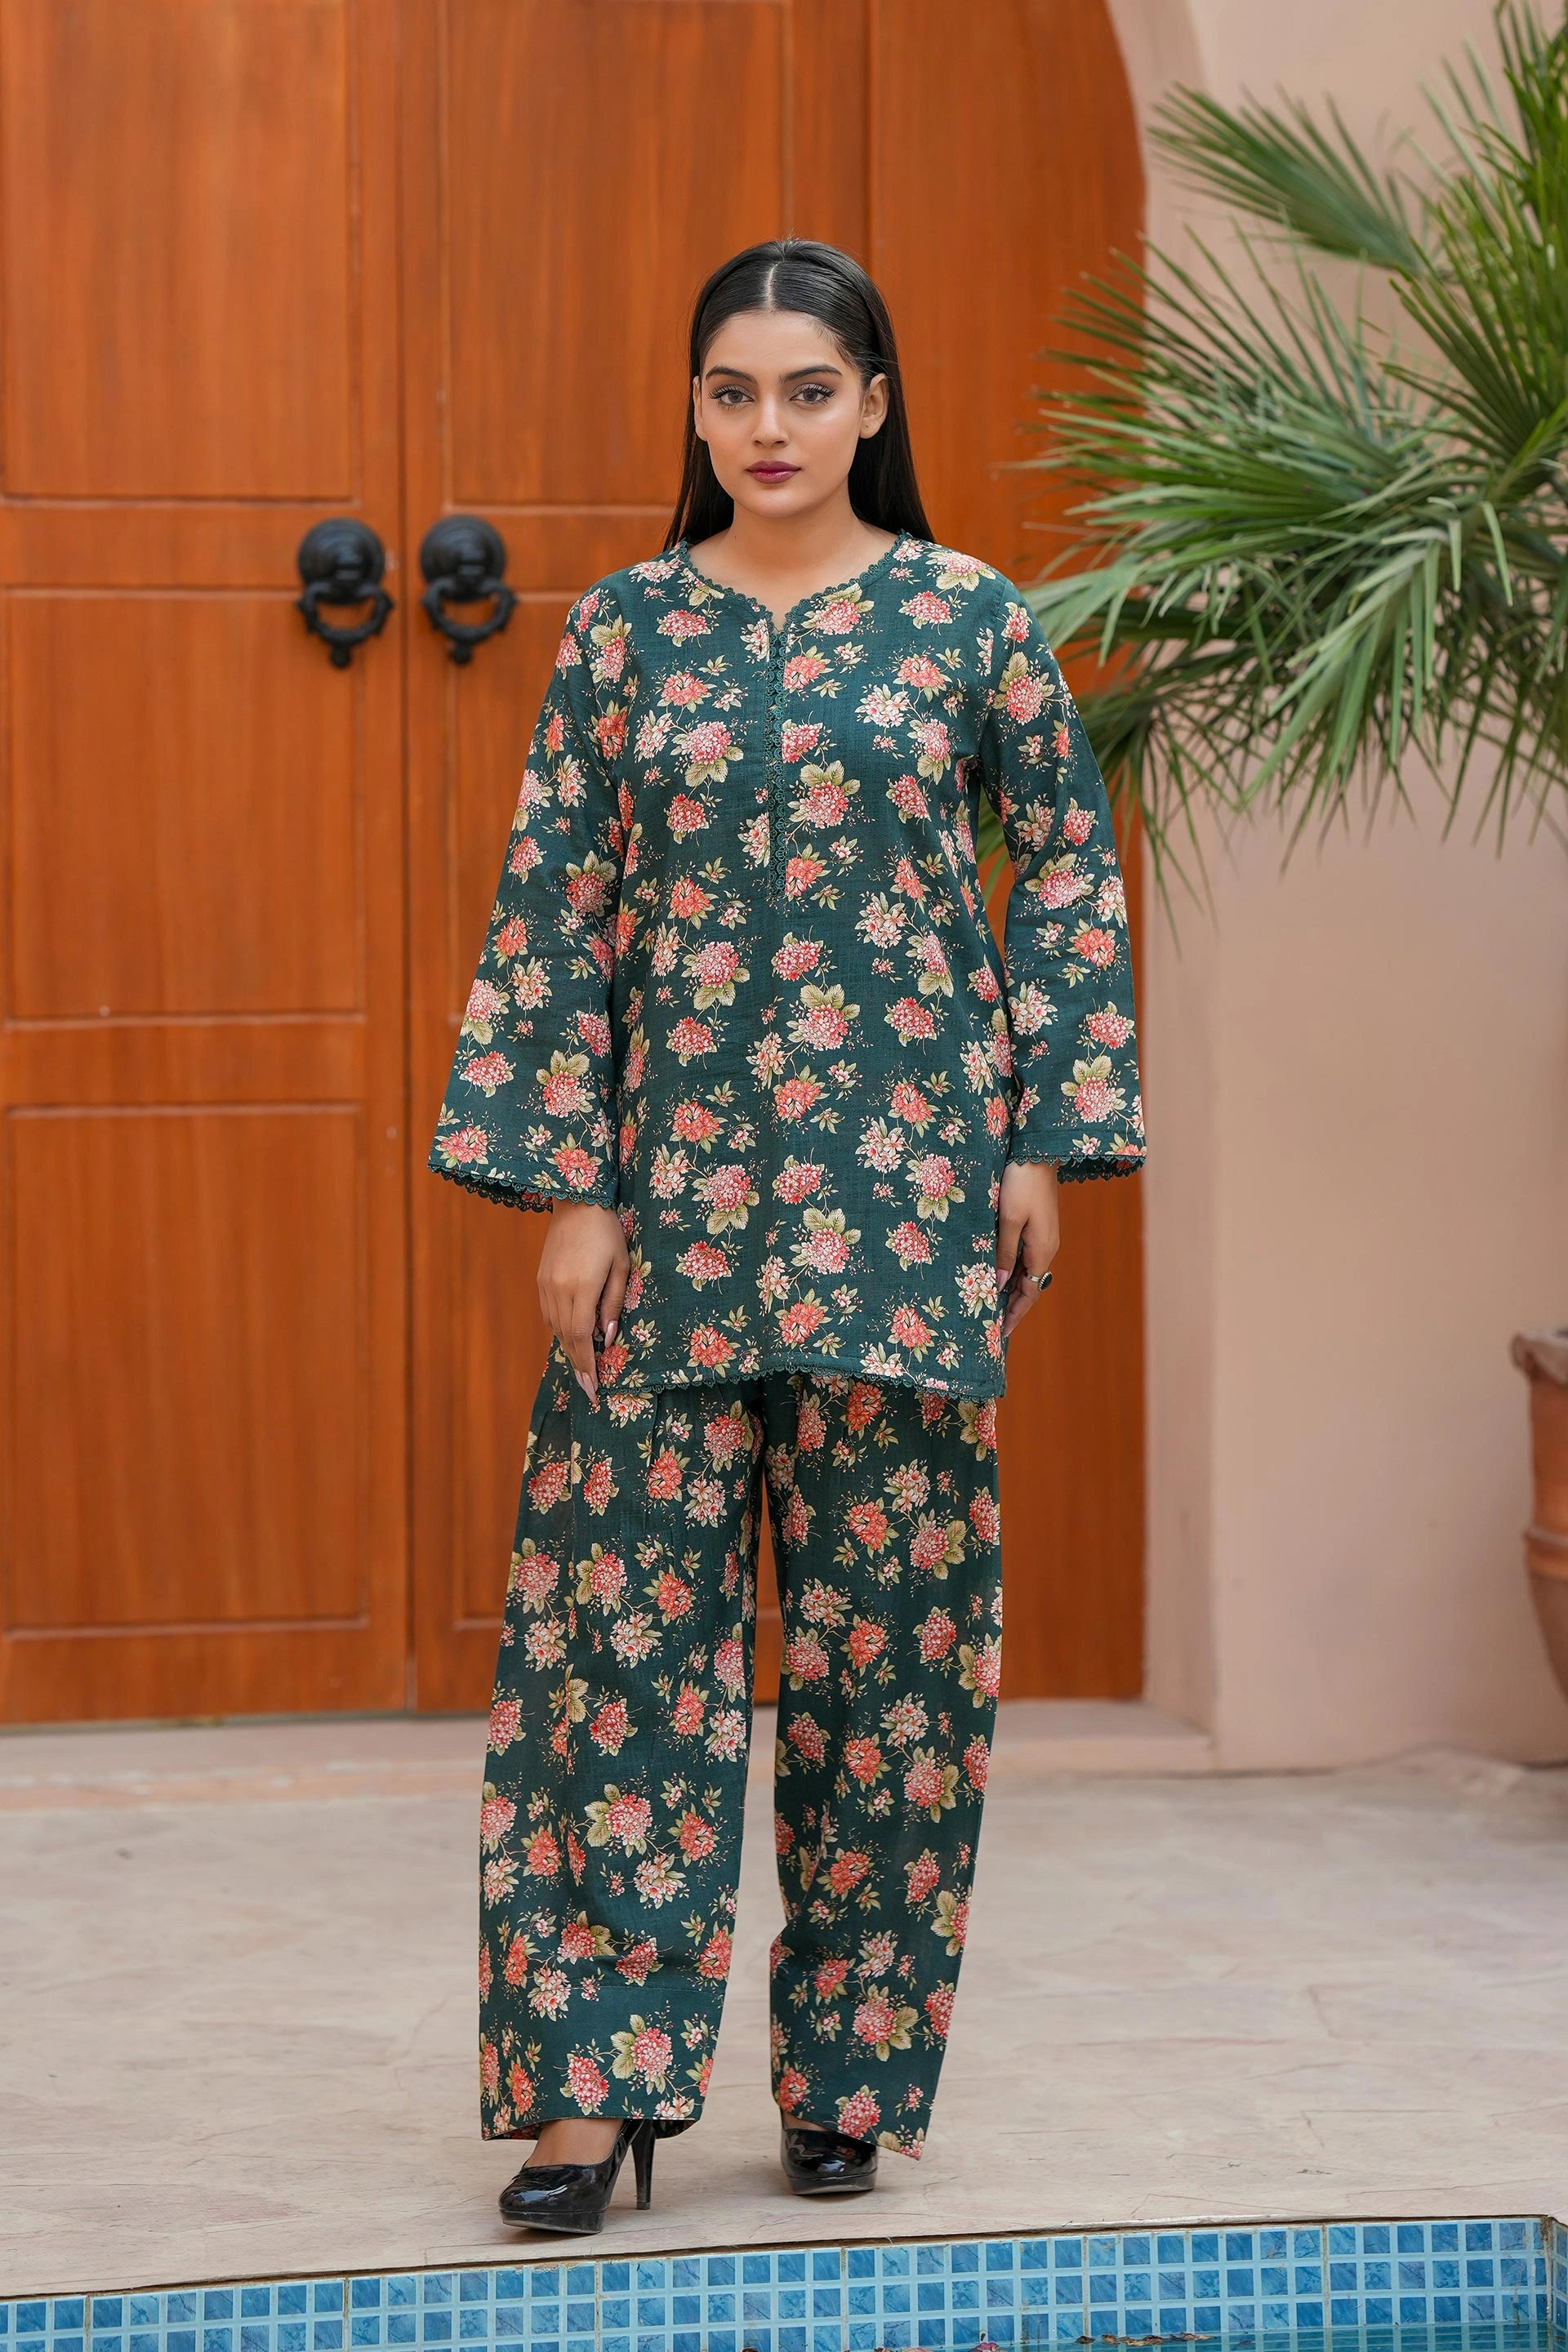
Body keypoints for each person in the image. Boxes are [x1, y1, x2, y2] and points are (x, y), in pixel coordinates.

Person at [429, 238, 1144, 2235]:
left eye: (806, 391)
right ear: (695, 410)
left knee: (886, 1668)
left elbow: (1065, 888)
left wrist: (1041, 1148)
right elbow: (555, 907)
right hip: (663, 1228)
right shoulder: (623, 632)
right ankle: (591, 2094)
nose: (766, 428)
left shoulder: (969, 622)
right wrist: (570, 1183)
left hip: (903, 1222)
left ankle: (848, 2082)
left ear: (874, 403)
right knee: (610, 1662)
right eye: (731, 393)